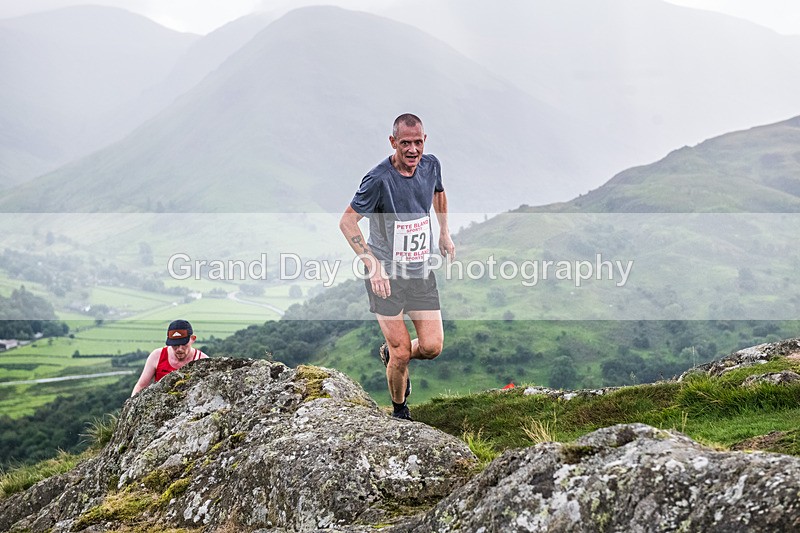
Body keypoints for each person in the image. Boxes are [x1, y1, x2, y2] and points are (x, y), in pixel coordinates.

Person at [339, 113, 455, 420]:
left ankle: (390, 355)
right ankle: (399, 410)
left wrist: (444, 232)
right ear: (393, 142)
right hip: (386, 276)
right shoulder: (378, 179)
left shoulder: (431, 165)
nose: (413, 149)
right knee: (402, 352)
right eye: (406, 143)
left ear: (424, 140)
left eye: (418, 142)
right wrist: (372, 265)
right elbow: (347, 221)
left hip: (419, 272)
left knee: (431, 347)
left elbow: (438, 194)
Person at [131, 319, 207, 396]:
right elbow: (141, 385)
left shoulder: (203, 360)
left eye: (184, 344)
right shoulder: (157, 356)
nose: (179, 349)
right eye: (175, 345)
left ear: (193, 339)